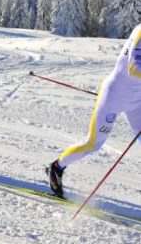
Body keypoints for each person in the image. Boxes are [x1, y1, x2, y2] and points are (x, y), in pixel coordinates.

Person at [47, 24, 141, 198]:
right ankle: (56, 167)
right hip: (114, 96)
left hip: (137, 101)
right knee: (93, 144)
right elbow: (133, 67)